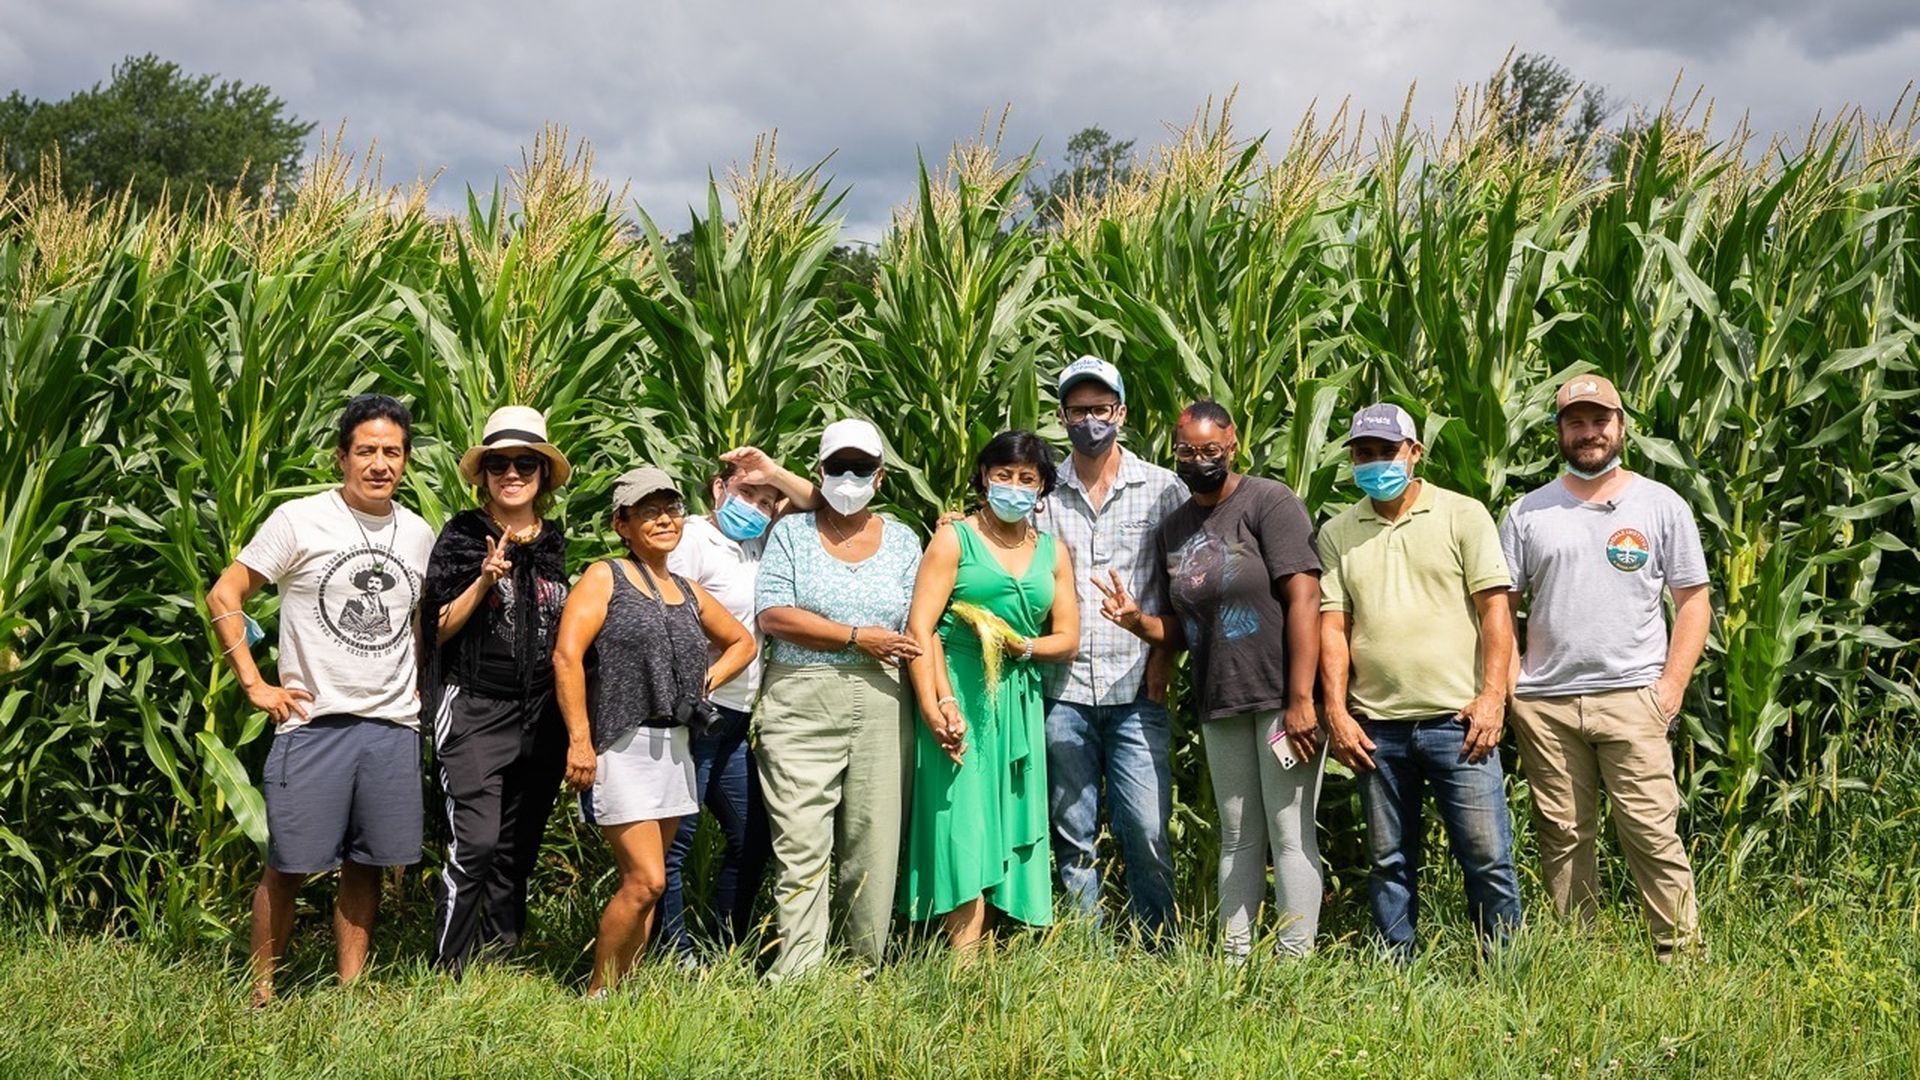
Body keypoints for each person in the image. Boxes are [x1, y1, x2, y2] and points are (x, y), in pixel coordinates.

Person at [204, 393, 437, 1007]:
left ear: (406, 460)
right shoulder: (299, 520)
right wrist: (255, 684)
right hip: (313, 723)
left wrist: (417, 673)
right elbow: (225, 594)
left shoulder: (417, 532)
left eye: (392, 452)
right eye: (366, 451)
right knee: (289, 863)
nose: (380, 463)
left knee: (368, 864)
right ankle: (262, 993)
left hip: (391, 725)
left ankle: (350, 990)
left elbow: (414, 616)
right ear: (342, 457)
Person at [1095, 400, 1325, 958]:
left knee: (1290, 834)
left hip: (1278, 696)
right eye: (1186, 452)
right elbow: (1181, 628)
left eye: (1210, 451)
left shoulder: (1270, 503)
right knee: (1237, 835)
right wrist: (1139, 623)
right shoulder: (1174, 527)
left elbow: (1305, 596)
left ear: (1233, 444)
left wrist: (1300, 700)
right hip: (1219, 698)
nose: (1198, 461)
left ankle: (1295, 963)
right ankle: (1234, 958)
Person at [1500, 374, 1711, 960]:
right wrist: (1514, 684)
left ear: (1621, 427)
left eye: (1600, 421)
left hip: (1633, 698)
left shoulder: (1660, 504)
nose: (1589, 433)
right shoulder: (1528, 513)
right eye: (1576, 422)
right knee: (1563, 836)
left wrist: (1669, 688)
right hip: (1546, 703)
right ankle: (1580, 956)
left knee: (1650, 832)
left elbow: (1693, 602)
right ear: (1559, 432)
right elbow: (1500, 608)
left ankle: (1680, 956)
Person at [1317, 403, 1523, 959]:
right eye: (1364, 454)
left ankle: (1505, 970)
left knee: (1486, 856)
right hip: (1376, 728)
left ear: (1415, 453)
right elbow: (1333, 627)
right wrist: (1336, 712)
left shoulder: (1463, 515)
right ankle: (1395, 973)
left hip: (1459, 722)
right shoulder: (1338, 531)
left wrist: (1492, 697)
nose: (1375, 463)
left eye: (1387, 452)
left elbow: (1495, 612)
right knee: (1388, 860)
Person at [551, 466, 756, 996]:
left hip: (676, 745)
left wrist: (701, 683)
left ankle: (624, 989)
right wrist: (579, 739)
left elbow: (742, 642)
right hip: (621, 745)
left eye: (670, 508)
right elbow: (567, 655)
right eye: (648, 511)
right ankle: (596, 994)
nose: (664, 519)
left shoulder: (686, 590)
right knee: (649, 880)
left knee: (644, 884)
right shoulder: (605, 576)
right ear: (622, 523)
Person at [899, 431, 1081, 953]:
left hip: (1018, 695)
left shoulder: (1053, 551)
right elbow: (921, 627)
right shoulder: (954, 539)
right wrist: (938, 704)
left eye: (1027, 479)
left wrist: (1023, 646)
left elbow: (1067, 638)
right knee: (963, 818)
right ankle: (962, 961)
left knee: (1002, 819)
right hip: (960, 689)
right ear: (983, 477)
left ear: (1043, 487)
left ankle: (991, 950)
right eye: (1004, 475)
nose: (1014, 487)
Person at [754, 419, 923, 979]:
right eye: (838, 467)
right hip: (802, 696)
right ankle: (798, 976)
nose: (849, 478)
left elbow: (922, 622)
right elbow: (774, 614)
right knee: (801, 843)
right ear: (819, 472)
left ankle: (859, 972)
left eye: (861, 468)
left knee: (872, 841)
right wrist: (856, 636)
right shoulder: (792, 534)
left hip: (882, 700)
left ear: (879, 477)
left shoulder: (903, 539)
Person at [1032, 357, 1186, 941]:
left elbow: (1182, 591)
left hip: (1134, 688)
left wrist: (1163, 659)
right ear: (1063, 417)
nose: (1089, 420)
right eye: (1078, 411)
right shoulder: (1041, 493)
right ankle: (1085, 953)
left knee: (1146, 827)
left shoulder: (1162, 490)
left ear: (1121, 413)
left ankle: (1158, 944)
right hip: (1062, 688)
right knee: (1072, 832)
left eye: (1100, 409)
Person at [419, 406, 574, 978]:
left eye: (525, 462)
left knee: (517, 847)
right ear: (483, 474)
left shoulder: (554, 542)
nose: (512, 473)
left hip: (540, 714)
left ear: (542, 473)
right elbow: (433, 629)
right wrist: (483, 580)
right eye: (499, 463)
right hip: (475, 706)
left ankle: (498, 959)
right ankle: (448, 967)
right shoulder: (463, 535)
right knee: (477, 842)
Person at [656, 449, 816, 962]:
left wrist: (771, 474)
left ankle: (728, 950)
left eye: (768, 501)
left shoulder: (757, 542)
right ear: (718, 487)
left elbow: (817, 503)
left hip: (737, 717)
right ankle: (675, 958)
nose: (759, 507)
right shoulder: (694, 540)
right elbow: (674, 617)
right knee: (674, 845)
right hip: (698, 714)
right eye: (748, 493)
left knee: (753, 838)